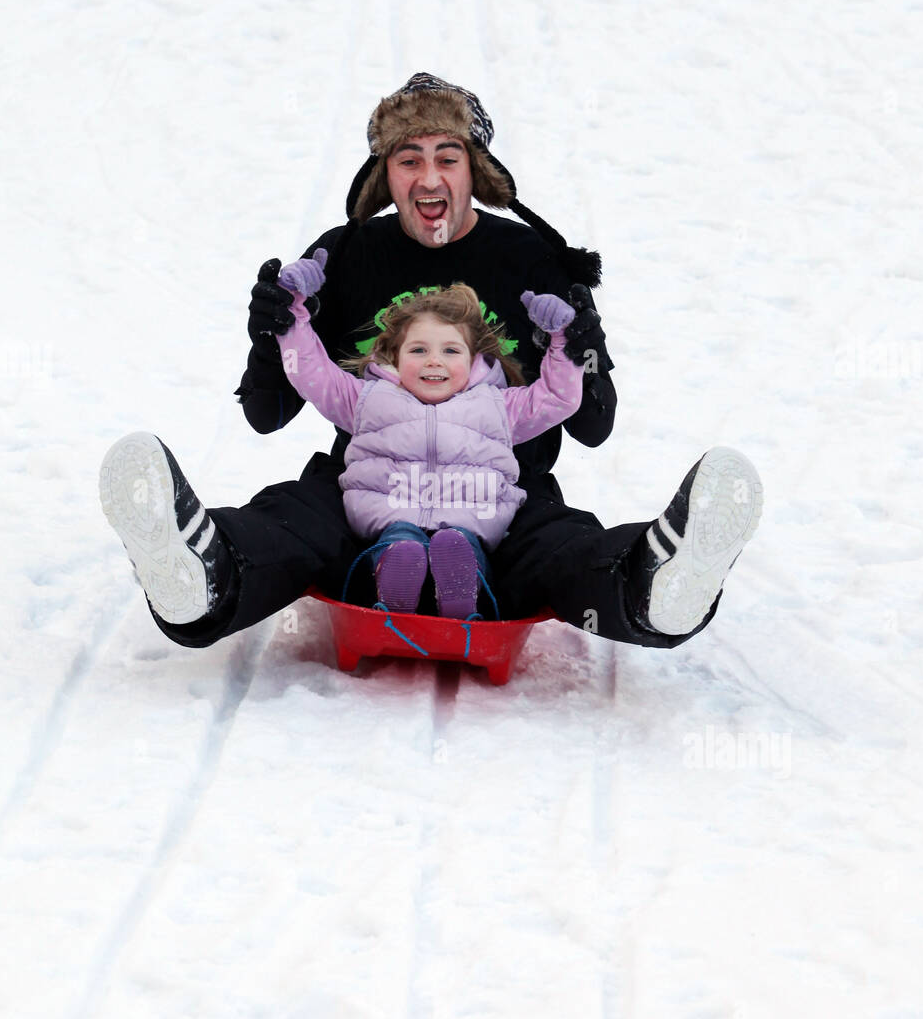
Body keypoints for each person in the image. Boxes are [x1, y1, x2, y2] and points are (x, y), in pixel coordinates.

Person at [99, 73, 762, 650]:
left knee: (562, 547)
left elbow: (592, 427)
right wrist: (268, 332)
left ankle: (653, 585)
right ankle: (206, 577)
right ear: (384, 176)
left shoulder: (529, 257)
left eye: (447, 156)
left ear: (476, 171)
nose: (429, 177)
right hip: (372, 489)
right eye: (408, 159)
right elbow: (270, 413)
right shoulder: (347, 253)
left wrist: (587, 351)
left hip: (500, 496)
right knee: (293, 519)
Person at [270, 251, 584, 619]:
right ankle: (394, 583)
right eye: (418, 350)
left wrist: (562, 340)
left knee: (460, 545)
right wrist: (292, 311)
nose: (434, 360)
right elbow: (312, 373)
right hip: (388, 520)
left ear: (473, 360)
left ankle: (463, 594)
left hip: (471, 525)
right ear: (394, 356)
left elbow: (558, 398)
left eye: (451, 350)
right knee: (399, 543)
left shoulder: (498, 405)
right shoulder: (366, 398)